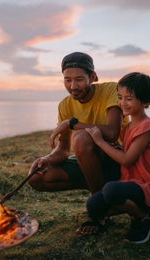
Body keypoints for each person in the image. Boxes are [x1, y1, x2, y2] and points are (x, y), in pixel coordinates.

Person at [77, 72, 150, 244]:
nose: (122, 103)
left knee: (110, 190)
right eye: (120, 97)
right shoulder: (128, 127)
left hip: (146, 186)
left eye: (129, 98)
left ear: (145, 102)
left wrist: (100, 142)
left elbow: (127, 160)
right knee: (93, 205)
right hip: (130, 182)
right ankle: (133, 211)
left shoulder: (147, 128)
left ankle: (145, 218)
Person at [28, 52, 128, 195]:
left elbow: (112, 133)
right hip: (89, 163)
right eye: (67, 80)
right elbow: (63, 150)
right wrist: (46, 159)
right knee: (37, 177)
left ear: (93, 77)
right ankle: (100, 189)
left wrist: (71, 124)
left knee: (81, 137)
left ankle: (100, 205)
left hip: (118, 159)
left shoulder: (112, 90)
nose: (73, 86)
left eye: (79, 79)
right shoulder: (65, 105)